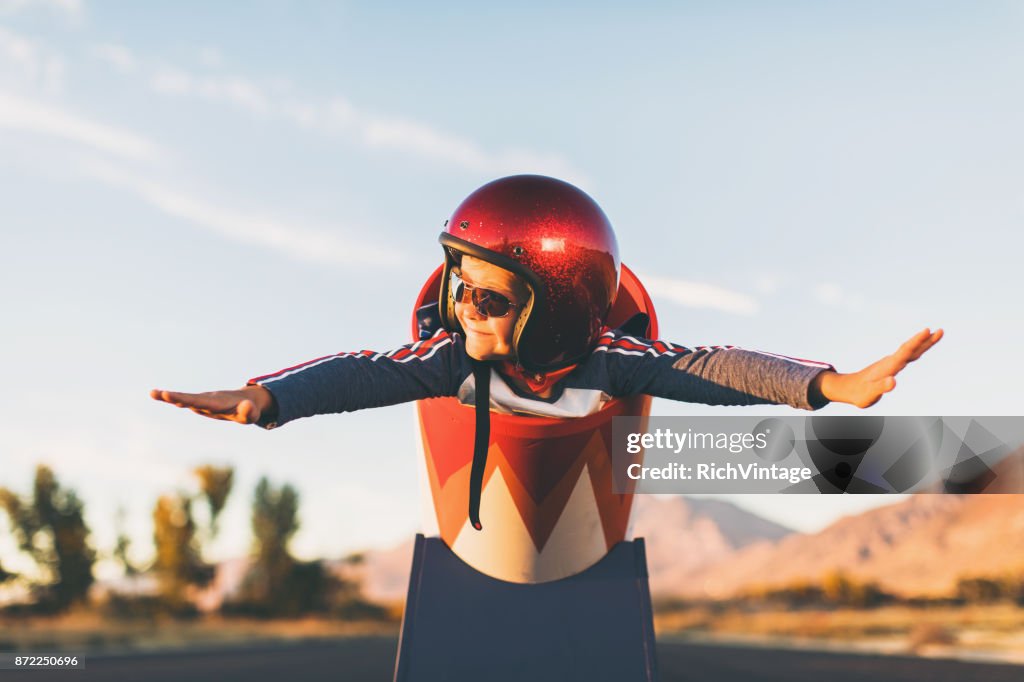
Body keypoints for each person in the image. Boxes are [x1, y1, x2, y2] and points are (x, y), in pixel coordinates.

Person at [151, 175, 943, 527]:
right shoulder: (451, 359)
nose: (461, 307)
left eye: (488, 298)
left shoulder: (607, 359)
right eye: (460, 285)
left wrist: (833, 386)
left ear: (556, 310)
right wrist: (267, 398)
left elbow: (709, 367)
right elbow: (362, 373)